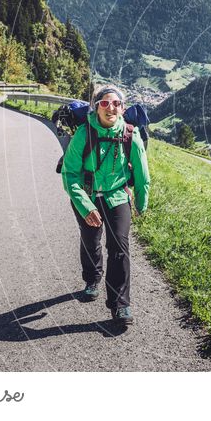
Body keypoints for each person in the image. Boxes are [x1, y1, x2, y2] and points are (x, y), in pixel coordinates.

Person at [61, 84, 150, 326]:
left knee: (119, 246)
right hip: (87, 195)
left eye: (116, 103)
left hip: (118, 196)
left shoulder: (131, 135)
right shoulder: (83, 134)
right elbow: (70, 175)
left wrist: (141, 204)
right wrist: (85, 206)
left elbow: (142, 175)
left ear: (122, 108)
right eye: (104, 103)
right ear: (96, 107)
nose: (110, 107)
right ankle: (92, 279)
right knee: (90, 240)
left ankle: (120, 305)